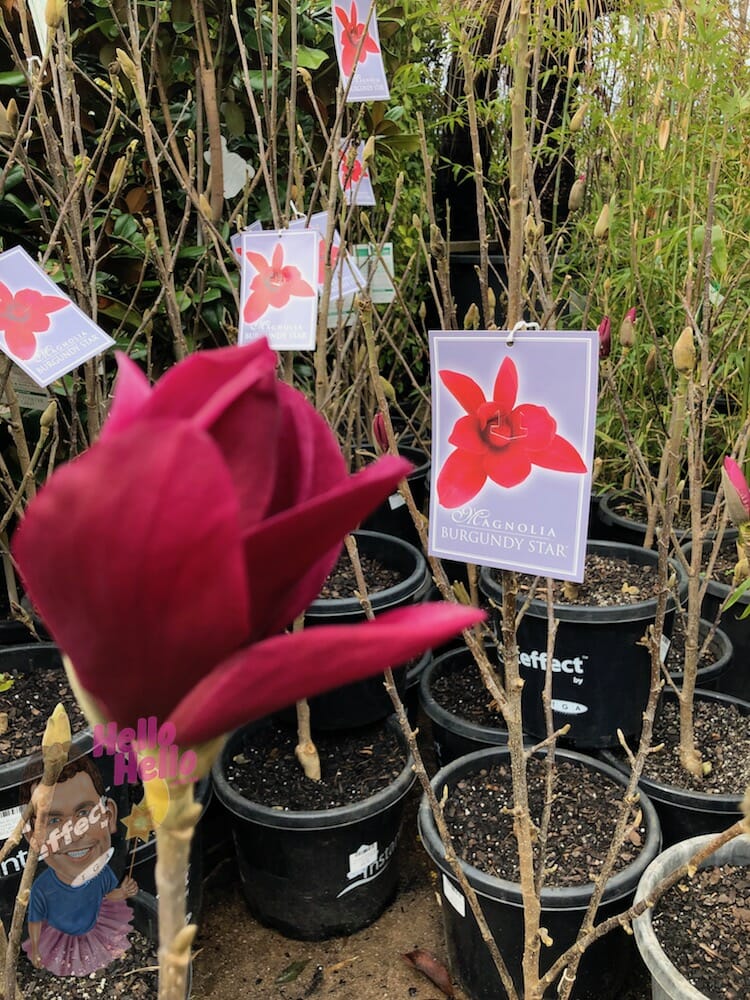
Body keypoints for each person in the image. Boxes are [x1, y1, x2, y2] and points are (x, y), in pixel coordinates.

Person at [19, 755, 138, 977]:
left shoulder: (101, 874)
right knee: (63, 962)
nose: (74, 835)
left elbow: (106, 896)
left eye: (84, 814)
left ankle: (93, 972)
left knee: (97, 958)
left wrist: (121, 892)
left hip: (93, 930)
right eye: (54, 820)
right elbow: (35, 920)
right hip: (59, 937)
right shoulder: (42, 888)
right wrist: (35, 948)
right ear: (31, 835)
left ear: (109, 815)